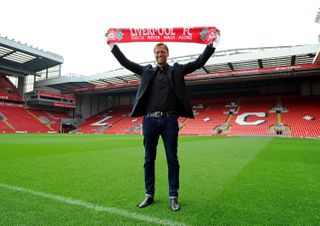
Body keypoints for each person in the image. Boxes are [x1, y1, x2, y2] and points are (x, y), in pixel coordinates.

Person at [107, 30, 220, 211]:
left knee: (172, 159)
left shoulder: (177, 70)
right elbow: (125, 62)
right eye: (157, 52)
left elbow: (199, 62)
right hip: (150, 121)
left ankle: (173, 196)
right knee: (148, 159)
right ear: (154, 55)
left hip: (169, 121)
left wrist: (212, 44)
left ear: (167, 54)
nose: (160, 54)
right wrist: (112, 45)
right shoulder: (146, 71)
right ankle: (149, 194)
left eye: (163, 52)